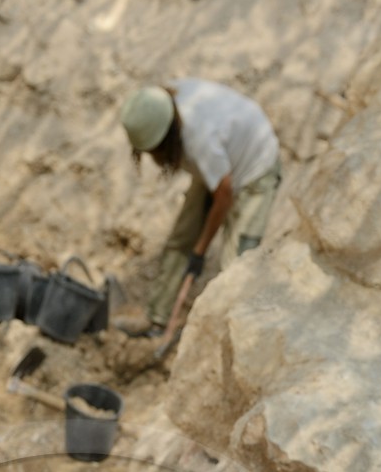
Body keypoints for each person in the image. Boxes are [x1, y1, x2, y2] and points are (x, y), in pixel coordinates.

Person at [117, 80, 282, 337]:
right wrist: (193, 246)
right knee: (180, 239)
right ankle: (157, 319)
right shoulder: (162, 106)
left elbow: (224, 196)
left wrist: (201, 250)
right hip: (222, 162)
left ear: (167, 139)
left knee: (237, 266)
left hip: (255, 170)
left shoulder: (199, 139)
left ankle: (227, 340)